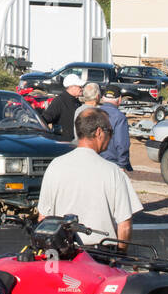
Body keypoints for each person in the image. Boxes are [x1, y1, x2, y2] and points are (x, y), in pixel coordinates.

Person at [37, 106, 142, 247]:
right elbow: (125, 225)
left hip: (64, 255)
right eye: (110, 131)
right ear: (99, 132)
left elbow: (43, 218)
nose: (111, 137)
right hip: (101, 256)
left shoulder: (55, 166)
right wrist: (120, 256)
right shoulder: (114, 172)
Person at [98, 83, 133, 171]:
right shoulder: (119, 117)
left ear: (102, 98)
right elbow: (121, 143)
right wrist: (122, 164)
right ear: (119, 99)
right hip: (112, 163)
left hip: (94, 159)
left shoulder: (94, 113)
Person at [41, 73, 84, 140]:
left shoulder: (77, 102)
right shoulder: (59, 101)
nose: (82, 89)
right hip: (64, 143)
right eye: (80, 87)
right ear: (71, 87)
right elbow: (45, 119)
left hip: (75, 141)